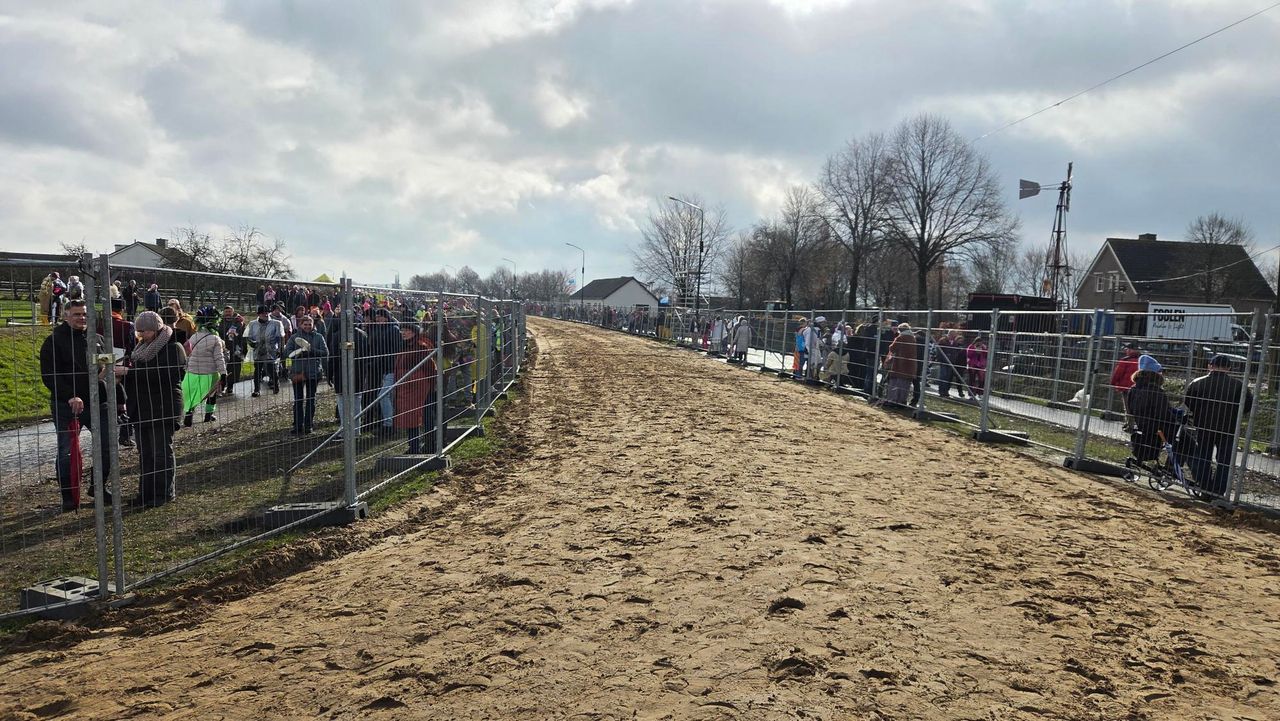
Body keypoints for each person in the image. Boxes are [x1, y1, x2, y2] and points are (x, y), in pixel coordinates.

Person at [39, 300, 113, 511]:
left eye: (85, 314)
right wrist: (70, 396)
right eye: (77, 314)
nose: (82, 318)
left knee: (107, 445)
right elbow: (49, 375)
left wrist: (110, 369)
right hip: (67, 406)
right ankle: (69, 497)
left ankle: (98, 487)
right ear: (65, 316)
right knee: (67, 451)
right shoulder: (54, 342)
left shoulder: (97, 339)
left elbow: (106, 361)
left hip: (98, 401)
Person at [115, 311, 186, 507]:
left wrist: (130, 372)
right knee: (145, 453)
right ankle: (145, 494)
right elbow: (138, 377)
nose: (140, 335)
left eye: (144, 331)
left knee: (161, 452)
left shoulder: (174, 348)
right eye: (138, 331)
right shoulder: (140, 350)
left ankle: (163, 493)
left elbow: (163, 375)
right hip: (142, 408)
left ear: (156, 329)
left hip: (163, 407)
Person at [1184, 355, 1253, 498]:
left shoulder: (1197, 382)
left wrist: (1199, 414)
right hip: (1228, 428)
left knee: (1203, 457)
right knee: (1225, 462)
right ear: (1228, 368)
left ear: (1210, 366)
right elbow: (1247, 406)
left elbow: (1189, 401)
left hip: (1203, 426)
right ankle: (1218, 492)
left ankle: (1204, 487)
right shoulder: (1239, 385)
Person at [1125, 355, 1182, 465]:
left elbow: (1131, 410)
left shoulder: (1133, 389)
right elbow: (1163, 414)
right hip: (1158, 428)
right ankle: (1171, 467)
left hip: (1143, 425)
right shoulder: (1156, 391)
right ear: (1154, 373)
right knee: (1182, 441)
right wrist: (1176, 416)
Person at [393, 323, 437, 454]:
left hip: (418, 387)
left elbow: (429, 368)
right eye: (403, 330)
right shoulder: (405, 346)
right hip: (406, 387)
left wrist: (430, 385)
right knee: (409, 417)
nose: (403, 333)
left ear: (414, 332)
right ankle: (413, 445)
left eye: (407, 330)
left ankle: (421, 445)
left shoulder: (420, 347)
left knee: (418, 416)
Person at [283, 313, 329, 434]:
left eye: (310, 324)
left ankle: (308, 425)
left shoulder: (318, 337)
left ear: (313, 325)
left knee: (311, 399)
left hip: (314, 371)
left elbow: (325, 352)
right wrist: (299, 353)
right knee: (298, 400)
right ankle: (298, 425)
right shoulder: (294, 337)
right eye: (305, 324)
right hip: (298, 372)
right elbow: (288, 353)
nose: (308, 326)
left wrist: (311, 351)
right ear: (300, 324)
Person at [181, 310, 227, 426]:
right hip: (209, 372)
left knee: (193, 394)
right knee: (211, 394)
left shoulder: (193, 337)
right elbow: (219, 358)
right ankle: (208, 415)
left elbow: (188, 354)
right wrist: (223, 373)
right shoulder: (215, 339)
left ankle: (189, 414)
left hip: (193, 371)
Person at [367, 308, 401, 433]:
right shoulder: (378, 330)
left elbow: (397, 349)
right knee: (389, 396)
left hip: (392, 368)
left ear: (386, 317)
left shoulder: (393, 330)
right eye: (377, 317)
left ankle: (389, 424)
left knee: (383, 395)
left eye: (381, 317)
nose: (378, 319)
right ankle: (392, 422)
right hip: (382, 368)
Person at [245, 304, 285, 396]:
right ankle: (256, 390)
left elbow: (280, 337)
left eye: (266, 313)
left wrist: (280, 349)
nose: (265, 315)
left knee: (272, 369)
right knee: (257, 370)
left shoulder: (276, 323)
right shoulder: (252, 324)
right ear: (258, 314)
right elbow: (248, 337)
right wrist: (251, 343)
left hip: (271, 350)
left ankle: (275, 384)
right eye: (263, 313)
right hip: (258, 350)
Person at [882, 323, 918, 405]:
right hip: (910, 364)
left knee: (896, 382)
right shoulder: (913, 338)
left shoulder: (900, 337)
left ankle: (893, 400)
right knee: (905, 384)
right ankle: (902, 401)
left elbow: (892, 348)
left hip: (899, 364)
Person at [218, 305, 247, 395]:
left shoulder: (238, 322)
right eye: (226, 312)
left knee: (233, 369)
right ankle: (221, 386)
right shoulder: (220, 322)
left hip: (235, 349)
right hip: (221, 348)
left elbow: (243, 336)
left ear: (232, 312)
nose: (227, 314)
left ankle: (230, 387)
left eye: (229, 312)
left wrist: (242, 350)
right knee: (222, 368)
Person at [936, 329, 969, 399]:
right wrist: (942, 359)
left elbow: (955, 351)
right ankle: (941, 391)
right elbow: (939, 351)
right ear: (950, 334)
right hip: (944, 362)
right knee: (943, 376)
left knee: (947, 377)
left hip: (951, 362)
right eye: (954, 335)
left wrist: (954, 358)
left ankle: (945, 391)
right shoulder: (943, 341)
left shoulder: (954, 342)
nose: (955, 336)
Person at [966, 334, 989, 400]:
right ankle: (971, 394)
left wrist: (984, 349)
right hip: (972, 365)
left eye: (981, 343)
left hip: (981, 366)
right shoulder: (971, 346)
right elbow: (969, 355)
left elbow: (987, 355)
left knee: (982, 380)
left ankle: (980, 393)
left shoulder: (983, 347)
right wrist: (975, 350)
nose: (979, 344)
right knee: (972, 380)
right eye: (978, 342)